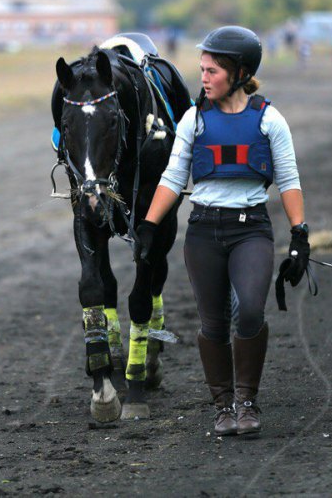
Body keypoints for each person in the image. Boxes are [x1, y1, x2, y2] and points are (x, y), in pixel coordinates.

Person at [132, 26, 310, 436]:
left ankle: (246, 401)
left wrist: (300, 234)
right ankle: (222, 406)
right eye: (202, 70)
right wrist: (148, 225)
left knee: (249, 310)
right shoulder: (194, 119)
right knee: (212, 324)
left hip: (251, 230)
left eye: (212, 71)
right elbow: (174, 178)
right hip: (203, 232)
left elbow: (289, 179)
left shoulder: (270, 119)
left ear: (240, 72)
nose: (204, 78)